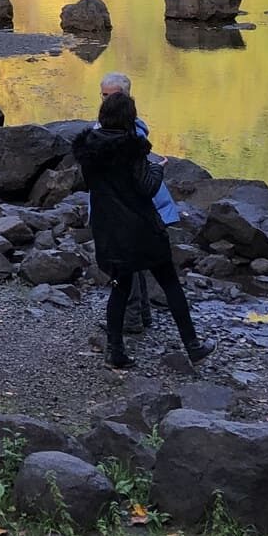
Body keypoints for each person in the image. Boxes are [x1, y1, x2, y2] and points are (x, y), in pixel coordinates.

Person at [74, 90, 213, 371]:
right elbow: (147, 188)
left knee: (120, 287)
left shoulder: (87, 149)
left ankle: (116, 351)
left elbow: (90, 185)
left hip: (108, 229)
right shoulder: (132, 148)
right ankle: (193, 346)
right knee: (170, 283)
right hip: (141, 228)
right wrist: (159, 169)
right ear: (129, 118)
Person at [99, 73, 178, 332]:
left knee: (127, 269)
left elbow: (141, 182)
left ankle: (130, 322)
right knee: (135, 267)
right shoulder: (111, 132)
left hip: (132, 213)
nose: (106, 101)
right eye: (104, 95)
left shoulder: (130, 136)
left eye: (111, 96)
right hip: (126, 211)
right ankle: (142, 316)